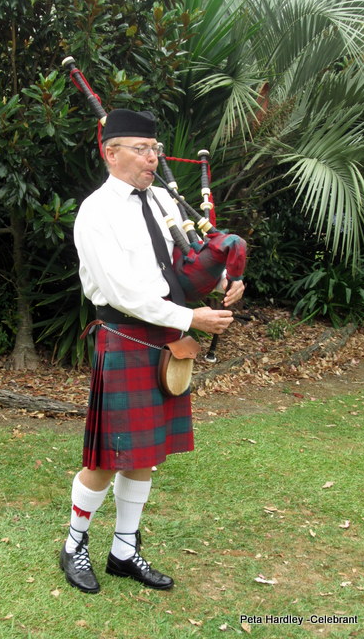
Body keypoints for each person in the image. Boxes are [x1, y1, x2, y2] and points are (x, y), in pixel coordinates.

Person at [60, 108, 245, 594]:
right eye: (141, 149)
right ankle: (74, 542)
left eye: (155, 149)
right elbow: (120, 290)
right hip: (125, 334)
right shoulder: (96, 211)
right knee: (107, 457)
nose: (152, 158)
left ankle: (124, 549)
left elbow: (191, 252)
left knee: (145, 453)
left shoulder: (163, 196)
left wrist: (226, 278)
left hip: (165, 339)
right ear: (110, 152)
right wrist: (192, 318)